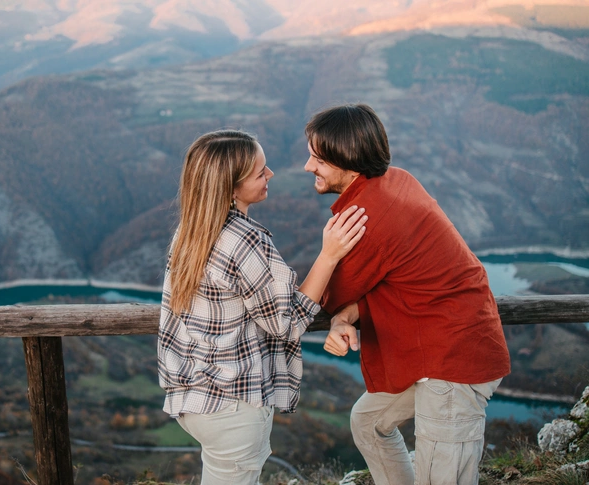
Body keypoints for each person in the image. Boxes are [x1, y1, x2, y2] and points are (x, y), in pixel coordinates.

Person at [304, 104, 511, 485]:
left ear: (346, 160)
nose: (307, 167)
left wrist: (327, 255)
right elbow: (383, 282)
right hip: (438, 346)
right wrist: (343, 317)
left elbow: (310, 302)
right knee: (369, 423)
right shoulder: (396, 179)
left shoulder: (368, 216)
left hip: (452, 361)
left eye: (317, 158)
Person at [157, 129, 368, 484]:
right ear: (231, 186)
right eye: (260, 172)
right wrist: (329, 255)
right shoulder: (244, 240)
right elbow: (286, 323)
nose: (271, 175)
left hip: (194, 398)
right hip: (233, 403)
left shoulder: (190, 231)